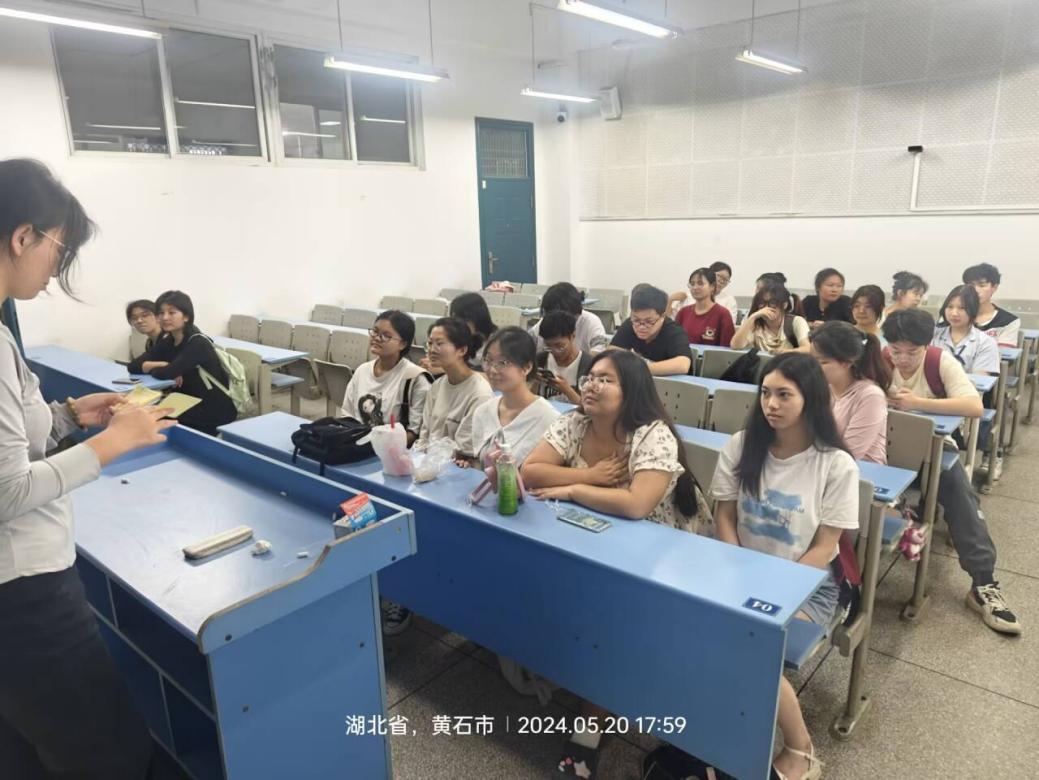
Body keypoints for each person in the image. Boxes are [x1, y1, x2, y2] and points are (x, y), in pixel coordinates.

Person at [0, 158, 174, 778]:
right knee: (106, 752)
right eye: (58, 249)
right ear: (23, 237)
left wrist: (71, 415)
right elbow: (8, 490)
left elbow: (13, 436)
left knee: (30, 745)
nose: (55, 269)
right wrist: (113, 443)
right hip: (24, 595)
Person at [522, 350, 710, 777]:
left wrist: (572, 490)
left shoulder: (652, 434)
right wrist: (589, 477)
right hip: (595, 541)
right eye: (590, 377)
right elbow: (531, 471)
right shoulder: (574, 422)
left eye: (606, 379)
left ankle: (589, 729)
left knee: (607, 621)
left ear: (633, 389)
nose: (591, 385)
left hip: (662, 555)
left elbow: (636, 504)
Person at [711, 353, 859, 780]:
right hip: (740, 566)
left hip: (810, 584)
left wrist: (774, 591)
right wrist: (737, 570)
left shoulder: (835, 464)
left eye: (784, 395)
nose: (770, 404)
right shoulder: (742, 445)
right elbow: (724, 517)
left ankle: (801, 749)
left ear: (810, 399)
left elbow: (826, 546)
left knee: (751, 648)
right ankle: (716, 729)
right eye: (765, 393)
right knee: (699, 631)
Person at [883, 309, 1020, 635]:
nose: (902, 359)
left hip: (933, 451)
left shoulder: (939, 361)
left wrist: (917, 403)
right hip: (884, 449)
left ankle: (983, 583)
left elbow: (974, 406)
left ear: (926, 345)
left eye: (911, 352)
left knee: (962, 497)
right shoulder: (878, 360)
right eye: (896, 350)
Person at [128, 290, 238, 436]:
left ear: (186, 316)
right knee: (139, 413)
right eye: (161, 313)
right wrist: (159, 366)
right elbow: (133, 366)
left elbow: (166, 374)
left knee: (149, 419)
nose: (165, 317)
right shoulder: (169, 340)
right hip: (184, 401)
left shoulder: (198, 342)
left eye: (171, 313)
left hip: (211, 409)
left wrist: (168, 369)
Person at [466, 327, 558, 467]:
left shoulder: (550, 420)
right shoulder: (482, 412)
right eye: (488, 360)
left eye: (503, 362)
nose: (492, 369)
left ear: (526, 367)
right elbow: (480, 464)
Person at [340, 310, 432, 445]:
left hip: (391, 450)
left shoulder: (415, 378)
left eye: (386, 336)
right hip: (356, 444)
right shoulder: (362, 370)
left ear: (403, 344)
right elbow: (347, 414)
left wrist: (379, 447)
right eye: (375, 332)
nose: (377, 338)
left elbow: (414, 432)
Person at [810, 322, 890, 464]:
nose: (813, 367)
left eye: (822, 362)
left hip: (860, 470)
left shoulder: (871, 396)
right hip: (822, 464)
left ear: (847, 363)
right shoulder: (821, 388)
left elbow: (849, 454)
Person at [415, 317, 494, 456]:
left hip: (456, 464)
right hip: (429, 461)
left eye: (439, 343)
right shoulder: (437, 386)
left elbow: (464, 450)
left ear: (462, 350)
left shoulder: (480, 394)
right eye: (430, 343)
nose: (432, 350)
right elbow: (424, 436)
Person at [610, 284, 693, 375]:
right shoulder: (630, 323)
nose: (641, 327)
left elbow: (683, 364)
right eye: (636, 320)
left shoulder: (674, 331)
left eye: (649, 321)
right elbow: (611, 353)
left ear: (662, 316)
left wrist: (638, 369)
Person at [932, 285, 1000, 376]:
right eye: (950, 307)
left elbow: (979, 380)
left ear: (973, 310)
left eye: (962, 308)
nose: (954, 313)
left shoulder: (986, 343)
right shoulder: (932, 335)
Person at [731, 280, 811, 355]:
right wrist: (752, 317)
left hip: (788, 363)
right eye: (762, 303)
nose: (766, 308)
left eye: (772, 303)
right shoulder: (755, 322)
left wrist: (785, 352)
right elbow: (735, 345)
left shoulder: (797, 321)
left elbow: (807, 349)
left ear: (784, 305)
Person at [528, 282, 609, 355]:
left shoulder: (591, 322)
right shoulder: (547, 323)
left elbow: (599, 353)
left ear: (576, 313)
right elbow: (526, 347)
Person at [534, 310, 595, 405]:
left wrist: (567, 390)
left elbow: (589, 408)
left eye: (560, 346)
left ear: (572, 336)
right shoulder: (540, 360)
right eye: (548, 346)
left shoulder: (589, 365)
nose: (555, 351)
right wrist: (534, 382)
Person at [673, 267, 735, 347]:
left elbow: (726, 350)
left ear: (712, 286)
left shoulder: (723, 314)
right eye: (692, 284)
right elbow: (674, 342)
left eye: (700, 283)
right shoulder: (683, 312)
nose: (695, 287)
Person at [962, 263, 1020, 347]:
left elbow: (1003, 353)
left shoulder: (1008, 321)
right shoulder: (955, 315)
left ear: (994, 287)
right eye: (971, 285)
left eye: (982, 285)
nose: (976, 290)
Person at [448, 292, 498, 368]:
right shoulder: (457, 337)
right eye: (454, 319)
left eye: (463, 319)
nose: (457, 324)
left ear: (477, 318)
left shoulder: (497, 342)